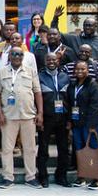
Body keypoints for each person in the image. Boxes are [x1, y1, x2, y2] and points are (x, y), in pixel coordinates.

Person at [0, 46, 43, 189]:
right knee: (7, 148)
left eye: (19, 54)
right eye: (14, 54)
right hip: (8, 116)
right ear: (9, 56)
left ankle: (31, 177)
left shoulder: (31, 71)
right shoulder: (1, 72)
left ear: (23, 56)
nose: (16, 57)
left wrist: (40, 113)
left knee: (30, 148)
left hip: (28, 115)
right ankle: (8, 177)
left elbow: (37, 92)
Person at [66, 60, 98, 190]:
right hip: (77, 123)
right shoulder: (72, 85)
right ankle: (82, 177)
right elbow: (69, 104)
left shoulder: (93, 85)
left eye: (82, 69)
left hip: (90, 125)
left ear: (87, 71)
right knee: (80, 151)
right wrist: (70, 121)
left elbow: (96, 106)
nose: (79, 71)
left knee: (94, 150)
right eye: (77, 69)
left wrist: (92, 124)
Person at [36, 52, 71, 188]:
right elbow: (36, 98)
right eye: (48, 59)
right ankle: (43, 176)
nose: (51, 62)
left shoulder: (65, 77)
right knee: (43, 149)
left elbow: (69, 98)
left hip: (63, 118)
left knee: (63, 149)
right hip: (46, 118)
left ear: (58, 61)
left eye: (54, 60)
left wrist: (69, 119)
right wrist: (39, 116)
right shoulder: (40, 77)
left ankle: (61, 176)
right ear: (45, 61)